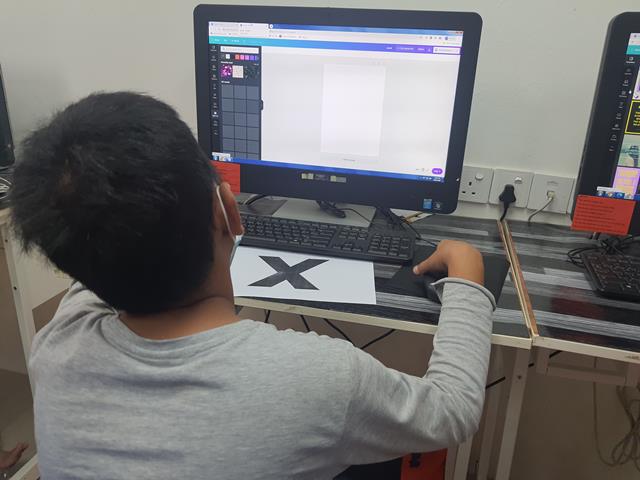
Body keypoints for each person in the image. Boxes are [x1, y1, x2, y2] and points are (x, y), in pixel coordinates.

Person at [10, 92, 495, 479]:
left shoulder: (57, 344)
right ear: (228, 209)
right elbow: (451, 410)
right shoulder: (323, 379)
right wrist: (467, 274)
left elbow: (93, 243)